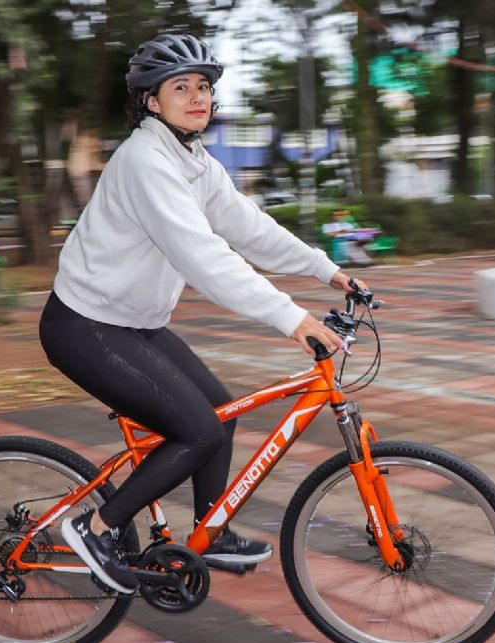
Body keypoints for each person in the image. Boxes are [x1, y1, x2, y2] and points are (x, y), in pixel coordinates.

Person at [39, 33, 365, 595]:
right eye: (180, 87)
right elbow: (205, 257)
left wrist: (326, 270)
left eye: (205, 87)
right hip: (84, 326)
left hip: (133, 323)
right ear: (150, 100)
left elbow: (248, 227)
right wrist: (293, 318)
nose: (197, 97)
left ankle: (208, 535)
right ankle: (95, 529)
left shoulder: (193, 159)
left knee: (221, 410)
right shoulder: (145, 160)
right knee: (196, 430)